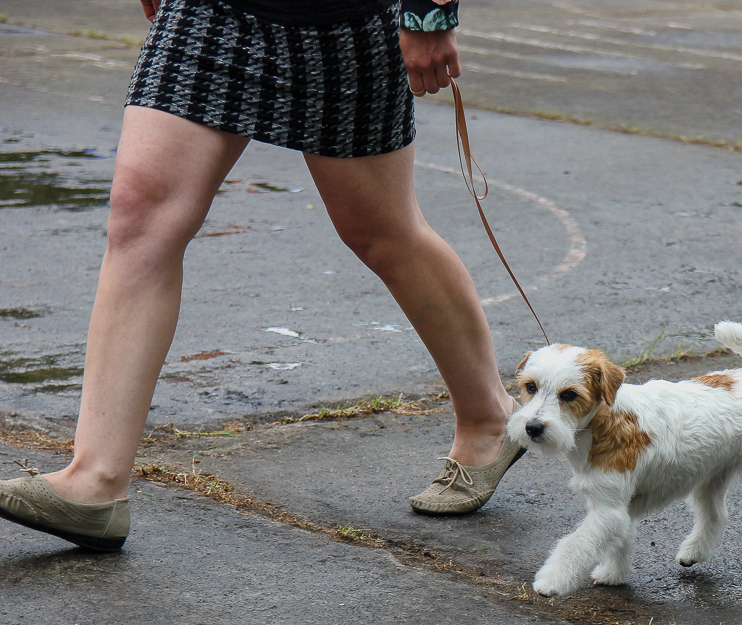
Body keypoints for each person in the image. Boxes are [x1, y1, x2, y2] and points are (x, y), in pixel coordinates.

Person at [0, 0, 526, 552]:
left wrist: (428, 14)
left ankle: (488, 416)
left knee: (381, 233)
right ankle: (95, 482)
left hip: (339, 21)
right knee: (139, 218)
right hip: (210, 11)